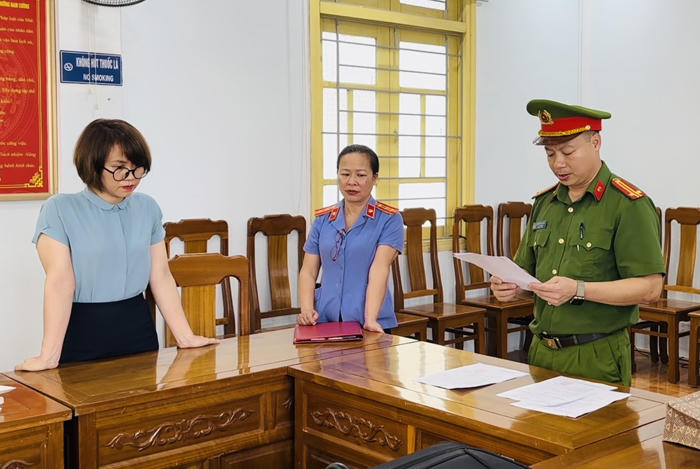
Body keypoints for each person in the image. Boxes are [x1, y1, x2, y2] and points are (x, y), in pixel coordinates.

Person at [16, 119, 218, 371]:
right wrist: (48, 357)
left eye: (137, 168)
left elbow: (160, 275)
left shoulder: (147, 208)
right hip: (83, 330)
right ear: (93, 163)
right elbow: (60, 283)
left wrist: (185, 337)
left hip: (137, 326)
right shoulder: (59, 209)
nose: (130, 178)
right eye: (119, 168)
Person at [490, 99, 665, 386]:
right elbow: (528, 278)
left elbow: (650, 288)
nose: (558, 163)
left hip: (596, 355)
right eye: (550, 154)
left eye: (568, 152)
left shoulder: (627, 204)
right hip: (542, 352)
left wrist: (578, 289)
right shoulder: (545, 203)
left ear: (596, 142)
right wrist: (510, 288)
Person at [298, 144, 404, 333]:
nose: (351, 182)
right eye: (345, 174)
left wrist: (370, 319)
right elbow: (308, 270)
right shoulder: (323, 219)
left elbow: (379, 269)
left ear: (375, 178)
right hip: (324, 320)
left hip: (368, 322)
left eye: (361, 175)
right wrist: (306, 310)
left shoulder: (389, 219)